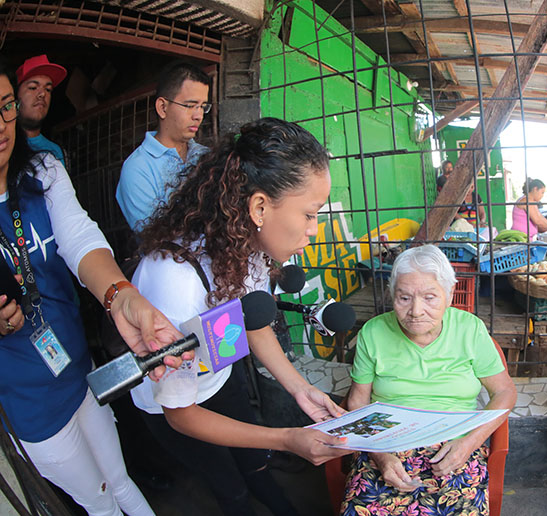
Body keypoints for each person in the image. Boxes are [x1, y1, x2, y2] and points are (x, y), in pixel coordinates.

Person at [129, 117, 349, 516]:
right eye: (310, 214)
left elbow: (252, 322)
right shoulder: (176, 284)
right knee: (230, 489)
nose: (315, 230)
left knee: (257, 464)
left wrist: (301, 390)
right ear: (259, 206)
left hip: (217, 374)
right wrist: (287, 438)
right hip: (176, 407)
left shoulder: (245, 247)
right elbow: (182, 415)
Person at [0, 57, 188, 516]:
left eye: (5, 106)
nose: (0, 124)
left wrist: (122, 297)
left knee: (121, 479)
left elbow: (79, 237)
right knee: (98, 501)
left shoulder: (42, 171)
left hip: (74, 367)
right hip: (26, 399)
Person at [340, 244, 516, 515]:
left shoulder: (470, 330)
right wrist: (381, 456)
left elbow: (505, 393)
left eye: (430, 297)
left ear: (449, 294)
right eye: (404, 298)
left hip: (453, 446)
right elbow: (358, 401)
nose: (416, 311)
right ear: (391, 295)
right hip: (388, 443)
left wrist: (468, 444)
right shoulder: (372, 333)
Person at [116, 62, 210, 231]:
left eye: (203, 107)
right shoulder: (138, 169)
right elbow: (156, 236)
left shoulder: (207, 156)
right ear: (162, 107)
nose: (199, 116)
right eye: (190, 106)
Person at [15, 54, 67, 166]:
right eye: (33, 87)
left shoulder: (55, 152)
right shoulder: (5, 143)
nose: (42, 94)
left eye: (48, 89)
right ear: (14, 97)